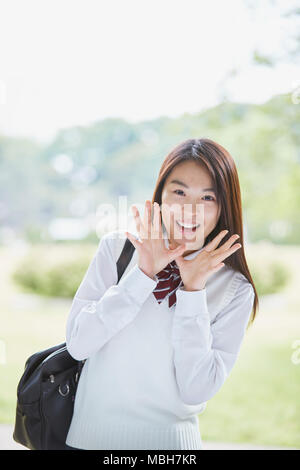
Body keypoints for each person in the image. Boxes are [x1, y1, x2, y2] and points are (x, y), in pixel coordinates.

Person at [65, 137, 259, 450]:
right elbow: (78, 344)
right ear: (160, 195)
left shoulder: (235, 288)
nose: (190, 210)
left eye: (207, 197)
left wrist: (194, 291)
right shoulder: (119, 250)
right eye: (179, 192)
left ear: (224, 206)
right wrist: (143, 275)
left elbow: (196, 389)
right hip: (89, 440)